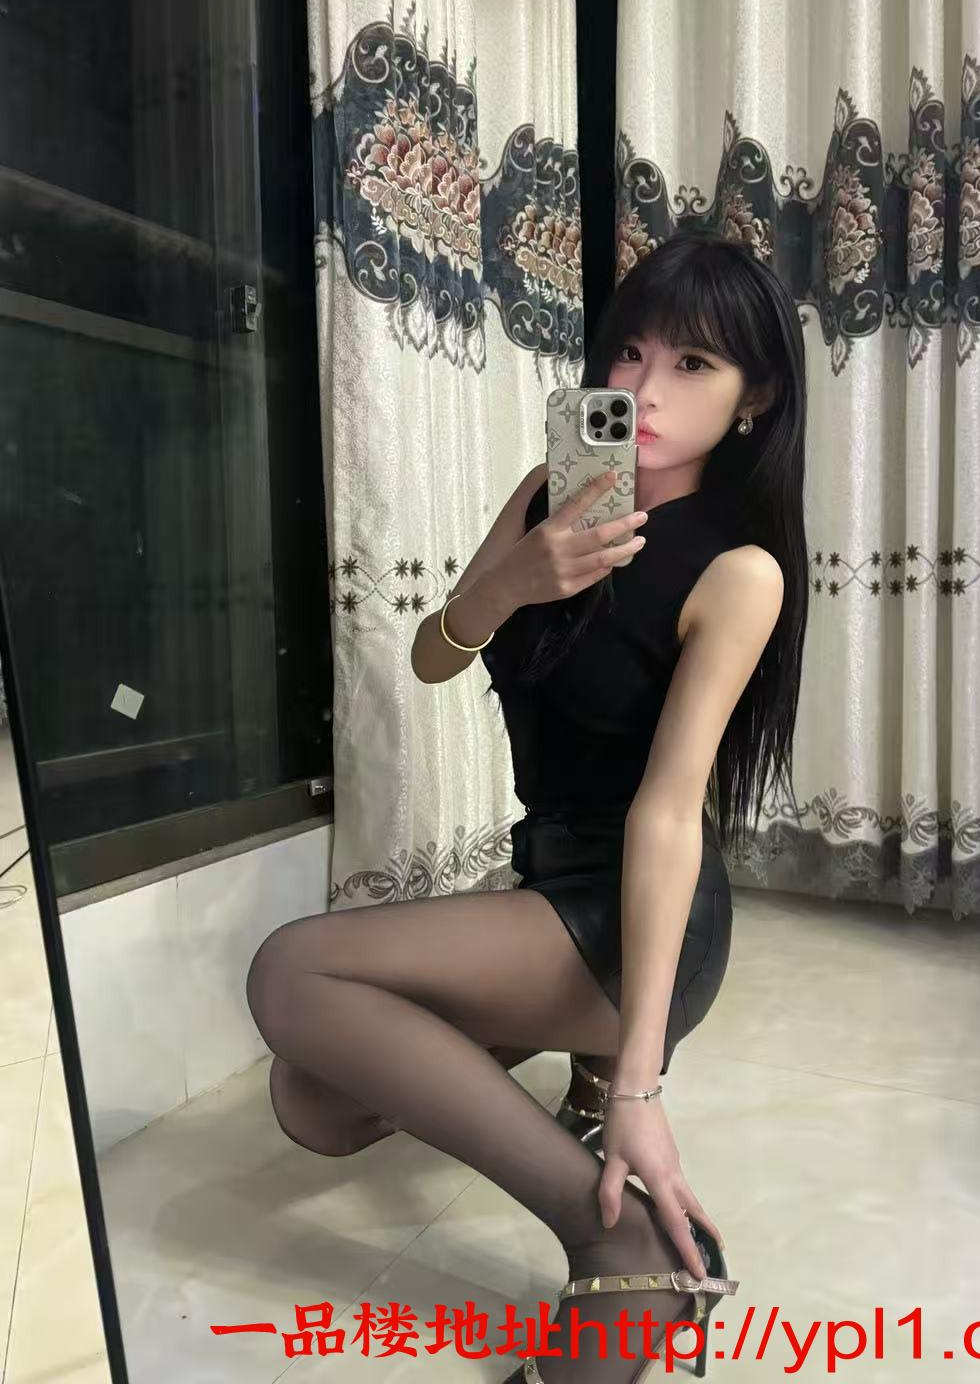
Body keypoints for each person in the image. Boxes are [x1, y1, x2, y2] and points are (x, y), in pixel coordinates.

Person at [245, 229, 808, 1380]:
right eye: (630, 352)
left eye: (693, 364)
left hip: (635, 922)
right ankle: (582, 1077)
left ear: (754, 400)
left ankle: (618, 1234)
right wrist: (508, 583)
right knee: (315, 1100)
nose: (645, 389)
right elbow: (433, 656)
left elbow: (669, 818)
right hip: (544, 884)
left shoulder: (737, 572)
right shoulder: (551, 497)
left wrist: (643, 1081)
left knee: (291, 974)